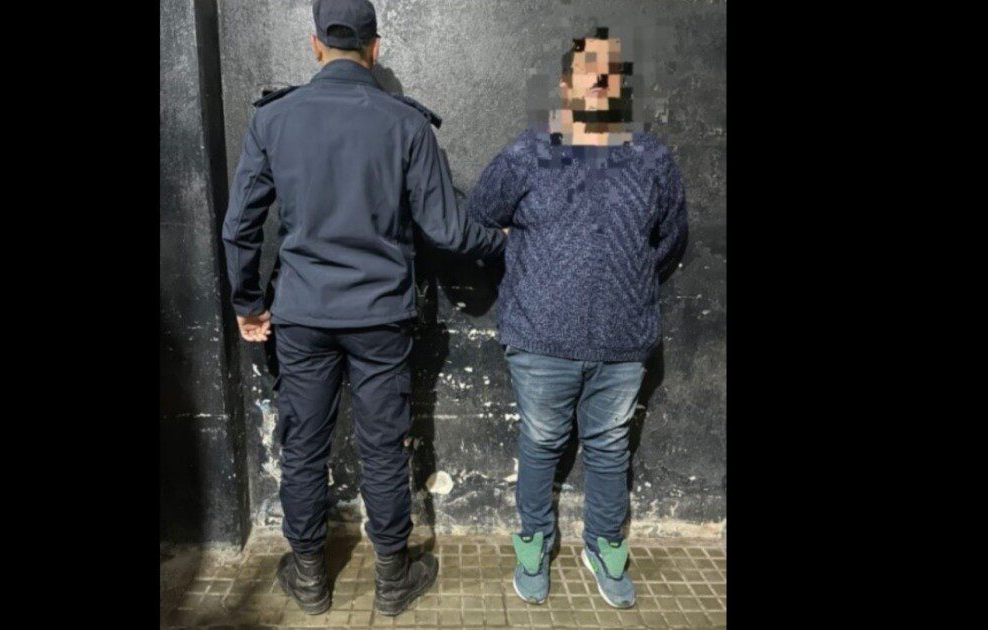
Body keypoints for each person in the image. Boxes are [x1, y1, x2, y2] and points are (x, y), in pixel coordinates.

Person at [220, 0, 507, 617]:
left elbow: (239, 227)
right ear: (376, 49)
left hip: (302, 316)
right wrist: (501, 240)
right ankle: (394, 579)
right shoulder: (406, 124)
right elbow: (448, 230)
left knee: (304, 446)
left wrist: (248, 303)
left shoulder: (274, 119)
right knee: (383, 446)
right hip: (380, 318)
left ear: (315, 45)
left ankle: (309, 577)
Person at [467, 27, 688, 609]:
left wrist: (625, 285)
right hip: (541, 339)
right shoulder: (527, 155)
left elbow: (669, 242)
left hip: (623, 340)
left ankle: (605, 546)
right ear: (566, 84)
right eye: (589, 69)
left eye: (611, 71)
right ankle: (534, 544)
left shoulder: (652, 161)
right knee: (541, 442)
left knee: (610, 447)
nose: (600, 79)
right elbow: (481, 219)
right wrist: (533, 275)